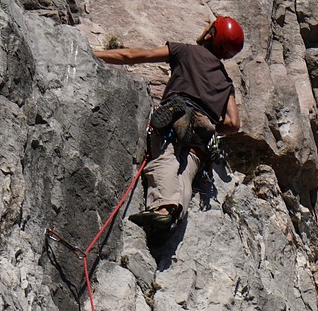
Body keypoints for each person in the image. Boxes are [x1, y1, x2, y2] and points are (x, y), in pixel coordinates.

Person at [93, 16, 243, 234]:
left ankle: (163, 210)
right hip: (202, 136)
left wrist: (94, 54)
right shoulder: (225, 82)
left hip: (177, 118)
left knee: (165, 160)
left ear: (211, 34)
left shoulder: (186, 51)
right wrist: (211, 125)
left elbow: (133, 56)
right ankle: (175, 216)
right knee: (186, 173)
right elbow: (233, 123)